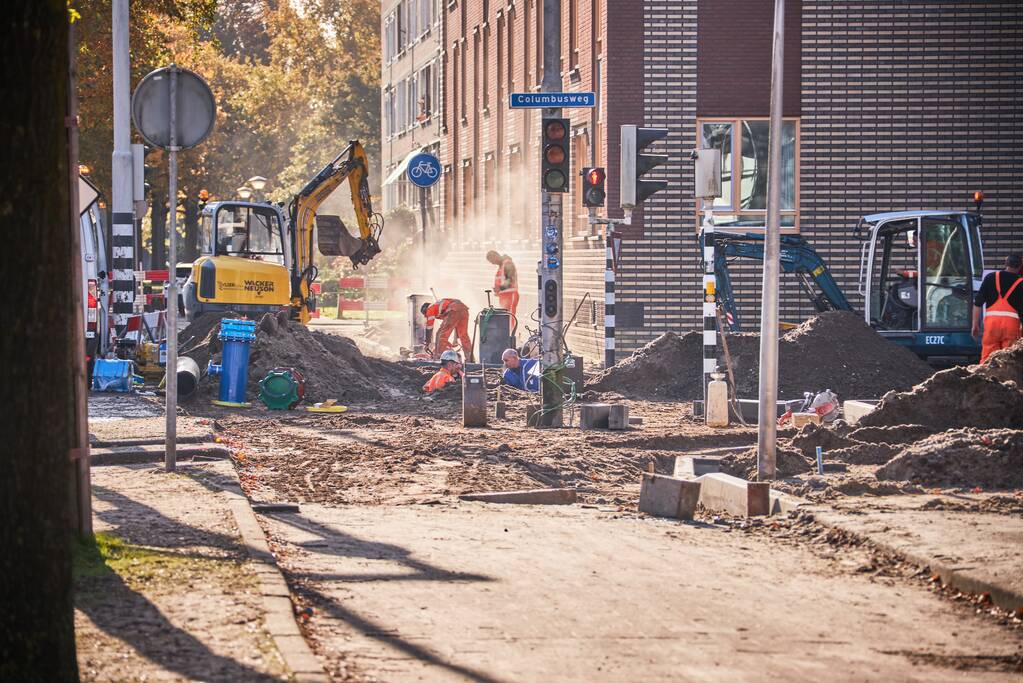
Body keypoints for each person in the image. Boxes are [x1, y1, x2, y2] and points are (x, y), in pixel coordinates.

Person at [972, 253, 1023, 363]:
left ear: (1005, 263)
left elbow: (978, 303)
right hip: (1011, 325)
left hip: (992, 325)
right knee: (1009, 360)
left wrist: (975, 324)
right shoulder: (1021, 283)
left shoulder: (991, 277)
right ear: (1020, 266)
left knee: (987, 359)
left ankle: (984, 377)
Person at [421, 298, 475, 362]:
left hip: (453, 309)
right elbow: (456, 324)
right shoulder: (438, 306)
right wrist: (456, 339)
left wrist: (427, 342)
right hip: (463, 309)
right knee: (463, 335)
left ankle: (438, 357)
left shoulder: (429, 308)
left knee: (440, 334)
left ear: (425, 310)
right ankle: (470, 358)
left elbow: (429, 327)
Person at [486, 250, 519, 320]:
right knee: (504, 319)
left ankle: (510, 331)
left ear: (495, 255)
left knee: (509, 319)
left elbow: (511, 280)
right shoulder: (501, 266)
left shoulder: (507, 264)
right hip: (504, 297)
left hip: (510, 295)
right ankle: (507, 331)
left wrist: (500, 288)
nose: (492, 263)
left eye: (492, 260)